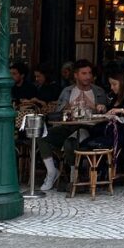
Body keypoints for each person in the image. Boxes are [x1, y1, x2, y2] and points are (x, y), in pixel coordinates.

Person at [39, 60, 109, 192]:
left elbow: (106, 113)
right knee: (43, 135)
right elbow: (58, 112)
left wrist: (93, 106)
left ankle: (73, 177)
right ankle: (52, 172)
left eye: (89, 73)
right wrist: (68, 107)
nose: (87, 76)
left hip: (88, 128)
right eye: (83, 73)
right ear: (76, 75)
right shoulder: (68, 91)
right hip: (68, 126)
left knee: (70, 142)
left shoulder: (98, 91)